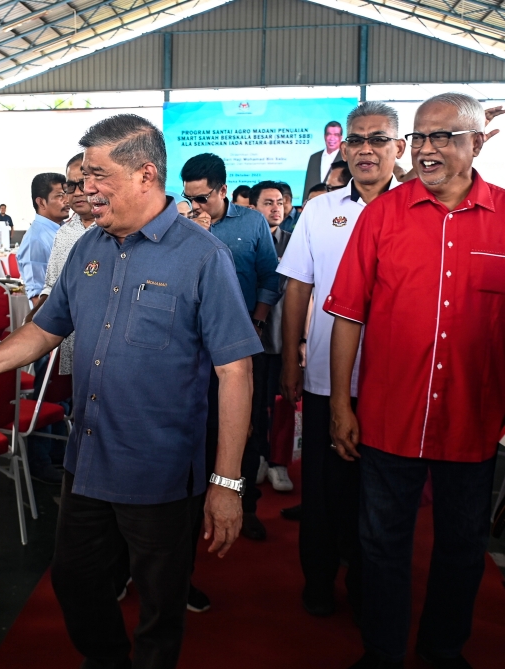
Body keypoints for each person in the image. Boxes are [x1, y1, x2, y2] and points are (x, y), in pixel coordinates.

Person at [0, 114, 260, 668]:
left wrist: (226, 483)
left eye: (97, 176)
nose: (84, 190)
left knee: (161, 604)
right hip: (88, 461)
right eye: (83, 177)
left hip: (160, 471)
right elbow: (44, 330)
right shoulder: (89, 247)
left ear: (144, 175)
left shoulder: (203, 257)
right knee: (75, 579)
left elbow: (236, 371)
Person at [327, 92, 505, 669]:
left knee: (461, 548)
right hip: (387, 416)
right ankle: (382, 652)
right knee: (381, 547)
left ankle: (442, 650)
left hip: (474, 421)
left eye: (443, 137)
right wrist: (340, 405)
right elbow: (348, 314)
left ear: (478, 142)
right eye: (421, 137)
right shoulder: (382, 214)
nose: (427, 149)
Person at [277, 101, 404, 624]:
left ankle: (367, 582)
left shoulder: (417, 210)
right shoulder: (319, 210)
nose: (365, 149)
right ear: (342, 147)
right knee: (326, 493)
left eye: (378, 139)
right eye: (356, 139)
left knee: (381, 495)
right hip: (331, 376)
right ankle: (319, 582)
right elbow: (298, 288)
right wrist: (290, 360)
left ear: (400, 148)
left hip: (396, 380)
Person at [180, 153, 281, 547]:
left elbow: (269, 278)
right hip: (192, 345)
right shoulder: (181, 224)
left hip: (241, 340)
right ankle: (196, 501)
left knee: (247, 423)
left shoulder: (253, 222)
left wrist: (256, 321)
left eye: (203, 198)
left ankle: (247, 504)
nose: (196, 206)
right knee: (199, 420)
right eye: (189, 198)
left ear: (223, 190)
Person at [23, 153, 99, 486]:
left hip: (98, 343)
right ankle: (57, 464)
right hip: (60, 339)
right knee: (58, 400)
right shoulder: (63, 232)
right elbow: (51, 286)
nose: (78, 191)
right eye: (71, 185)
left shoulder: (110, 228)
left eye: (84, 183)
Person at [248, 181, 293, 493]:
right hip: (250, 341)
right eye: (268, 202)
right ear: (253, 207)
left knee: (282, 405)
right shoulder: (244, 242)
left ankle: (279, 462)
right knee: (253, 405)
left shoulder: (295, 241)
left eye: (279, 202)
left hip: (283, 339)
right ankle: (258, 458)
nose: (275, 208)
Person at [17, 173, 69, 306]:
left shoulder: (66, 230)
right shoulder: (35, 240)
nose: (67, 200)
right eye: (59, 196)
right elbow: (38, 298)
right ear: (41, 202)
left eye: (67, 194)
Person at [304, 120, 343, 201]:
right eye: (329, 134)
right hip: (312, 204)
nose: (332, 138)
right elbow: (308, 184)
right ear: (324, 136)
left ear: (341, 138)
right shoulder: (314, 157)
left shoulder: (345, 158)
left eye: (336, 135)